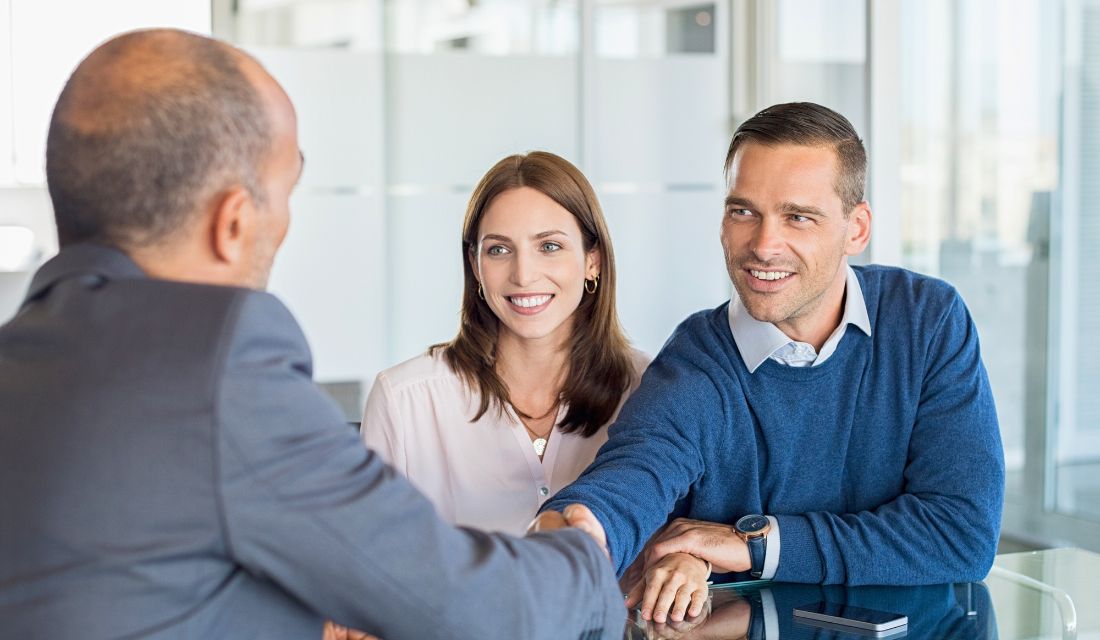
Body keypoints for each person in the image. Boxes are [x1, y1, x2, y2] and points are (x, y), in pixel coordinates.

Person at [0, 29, 625, 639]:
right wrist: (583, 553)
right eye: (285, 192)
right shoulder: (214, 371)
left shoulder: (22, 359)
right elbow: (460, 599)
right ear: (233, 223)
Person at [538, 102, 1004, 625]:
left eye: (798, 217)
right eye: (743, 212)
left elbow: (961, 533)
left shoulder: (926, 321)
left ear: (856, 229)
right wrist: (581, 530)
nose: (763, 245)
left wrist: (753, 545)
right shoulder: (697, 362)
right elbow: (633, 476)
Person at [361, 151, 648, 537]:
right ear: (476, 266)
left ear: (592, 260)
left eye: (549, 246)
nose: (524, 275)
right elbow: (371, 562)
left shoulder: (649, 389)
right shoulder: (404, 401)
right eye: (498, 249)